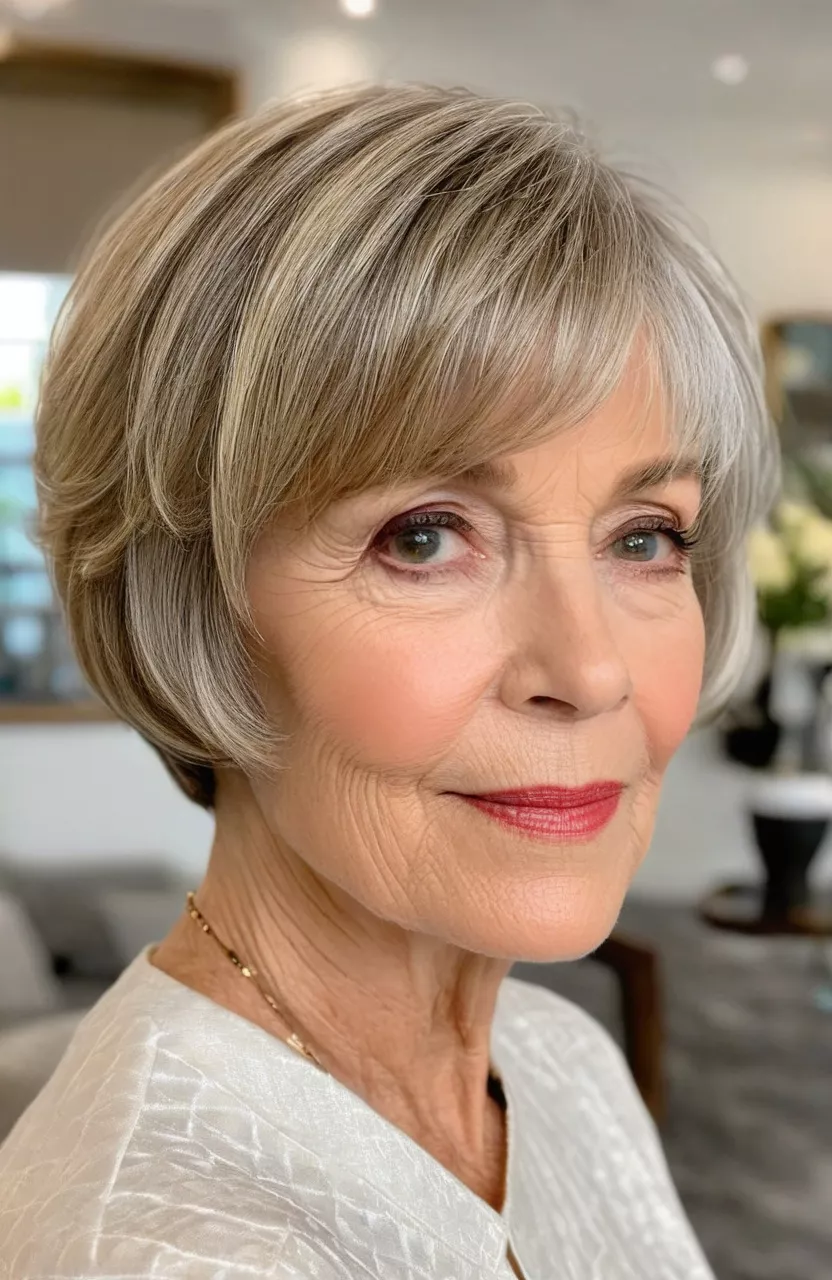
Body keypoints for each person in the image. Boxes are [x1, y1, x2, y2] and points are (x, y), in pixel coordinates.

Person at [0, 84, 776, 1279]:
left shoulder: (557, 1054)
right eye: (424, 534)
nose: (587, 667)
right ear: (191, 594)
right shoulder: (167, 1250)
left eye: (644, 536)